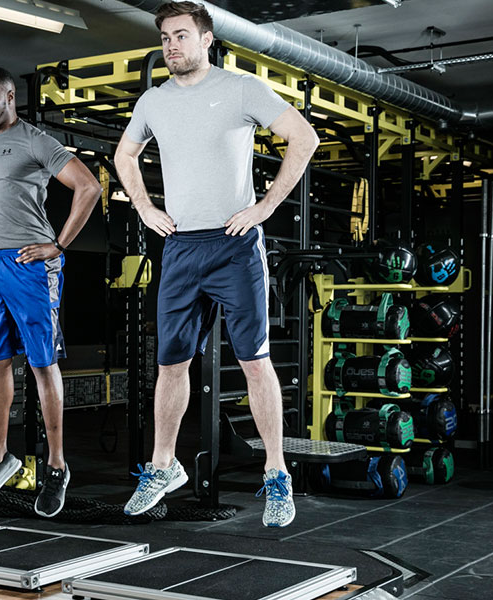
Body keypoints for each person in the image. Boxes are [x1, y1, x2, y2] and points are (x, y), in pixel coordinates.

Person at [114, 2, 320, 527]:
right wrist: (143, 206)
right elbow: (124, 156)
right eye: (165, 37)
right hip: (181, 246)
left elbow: (304, 138)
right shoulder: (152, 101)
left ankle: (277, 475)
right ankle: (164, 466)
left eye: (181, 35)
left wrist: (265, 207)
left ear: (207, 39)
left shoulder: (241, 88)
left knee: (255, 361)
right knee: (170, 364)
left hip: (235, 244)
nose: (171, 46)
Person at [0, 67, 101, 518]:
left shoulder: (36, 140)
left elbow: (88, 187)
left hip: (32, 265)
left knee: (42, 364)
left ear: (9, 97)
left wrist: (58, 245)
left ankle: (56, 465)